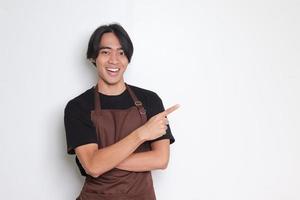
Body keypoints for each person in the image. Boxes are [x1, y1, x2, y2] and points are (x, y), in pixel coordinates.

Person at [64, 23, 179, 200]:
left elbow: (160, 159)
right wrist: (143, 133)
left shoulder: (150, 100)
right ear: (93, 57)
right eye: (105, 52)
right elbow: (93, 167)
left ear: (128, 58)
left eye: (121, 52)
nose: (114, 60)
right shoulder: (78, 107)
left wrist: (103, 161)